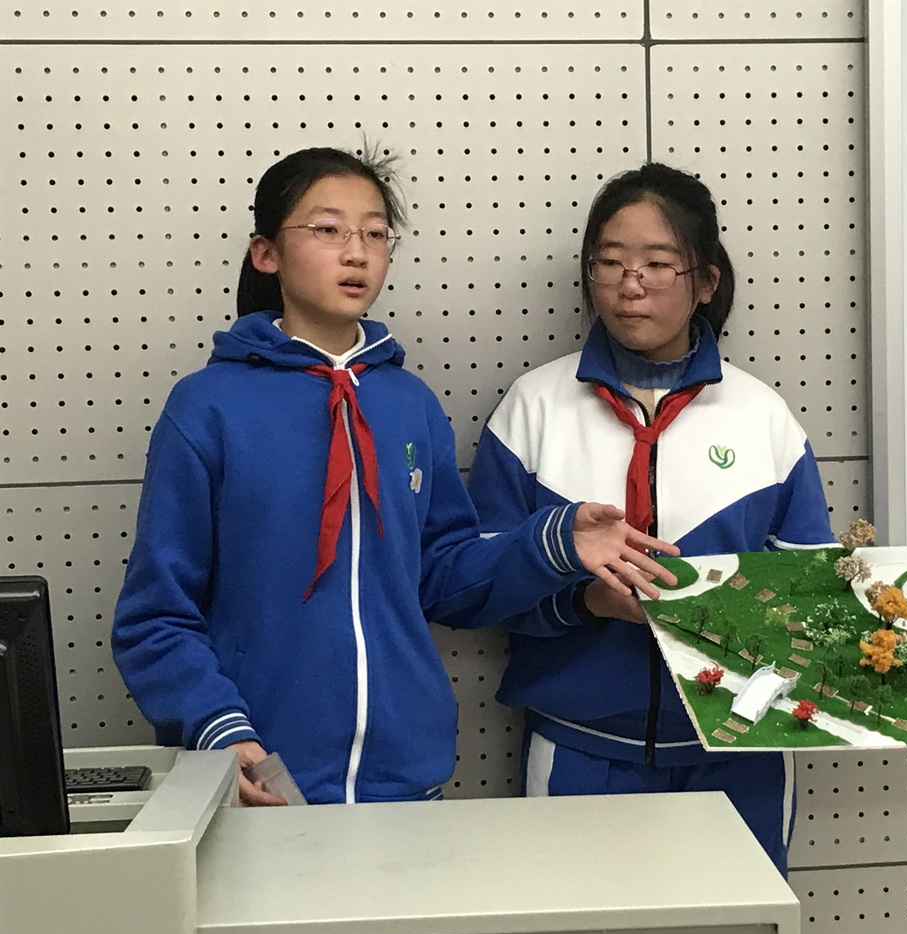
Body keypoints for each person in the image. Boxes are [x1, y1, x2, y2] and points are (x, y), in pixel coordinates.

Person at [111, 146, 678, 808]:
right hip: (262, 781)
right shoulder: (207, 407)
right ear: (266, 253)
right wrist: (218, 728)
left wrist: (554, 544)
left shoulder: (409, 404)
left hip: (407, 783)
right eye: (328, 229)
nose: (357, 253)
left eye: (376, 234)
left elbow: (445, 579)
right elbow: (155, 617)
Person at [467, 162, 834, 875]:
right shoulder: (534, 409)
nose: (630, 284)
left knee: (738, 930)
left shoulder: (762, 417)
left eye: (658, 264)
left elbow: (812, 591)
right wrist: (586, 601)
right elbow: (475, 584)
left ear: (706, 281)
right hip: (581, 744)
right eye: (609, 262)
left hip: (739, 752)